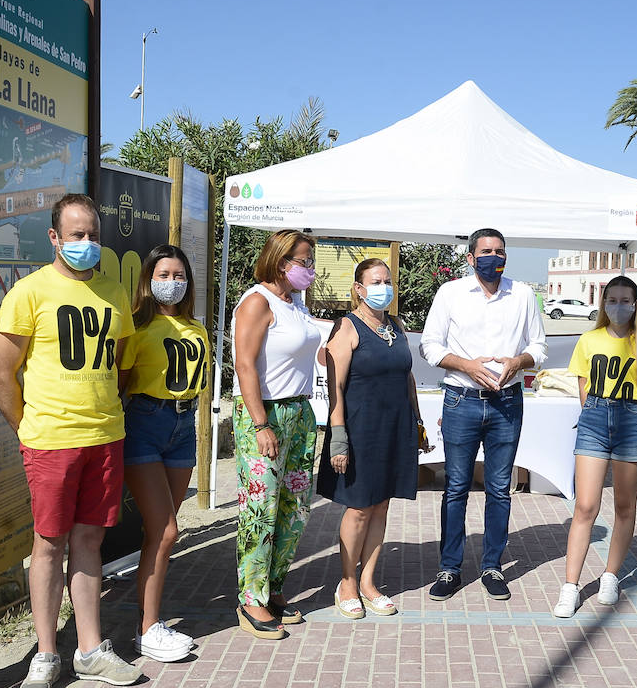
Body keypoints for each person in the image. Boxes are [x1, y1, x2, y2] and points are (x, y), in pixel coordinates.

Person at [0, 193, 140, 688]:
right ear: (54, 238)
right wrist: (28, 429)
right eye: (76, 235)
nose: (86, 243)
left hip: (104, 438)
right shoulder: (29, 293)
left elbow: (119, 364)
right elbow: (0, 376)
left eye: (93, 234)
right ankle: (47, 654)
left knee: (90, 543)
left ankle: (91, 650)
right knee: (48, 546)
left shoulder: (115, 292)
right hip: (51, 442)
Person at [420, 228, 547, 601]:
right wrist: (465, 366)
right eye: (486, 251)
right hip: (461, 400)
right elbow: (430, 346)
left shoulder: (522, 294)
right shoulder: (451, 293)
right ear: (471, 257)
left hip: (507, 402)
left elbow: (538, 346)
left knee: (499, 490)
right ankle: (450, 568)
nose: (495, 257)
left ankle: (492, 566)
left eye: (501, 251)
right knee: (456, 487)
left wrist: (519, 361)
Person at [319, 259, 430, 619]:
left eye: (388, 280)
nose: (384, 286)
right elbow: (334, 385)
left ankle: (368, 582)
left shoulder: (395, 326)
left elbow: (407, 377)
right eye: (376, 281)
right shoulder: (347, 327)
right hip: (360, 430)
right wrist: (338, 437)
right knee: (359, 507)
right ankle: (347, 582)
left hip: (395, 429)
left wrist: (417, 423)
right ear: (358, 288)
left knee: (382, 505)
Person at [229, 229, 321, 639]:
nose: (310, 269)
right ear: (282, 261)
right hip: (264, 413)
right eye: (305, 261)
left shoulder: (295, 303)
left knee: (295, 508)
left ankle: (273, 587)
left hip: (299, 410)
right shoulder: (256, 302)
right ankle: (251, 598)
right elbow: (245, 365)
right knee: (261, 508)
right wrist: (261, 423)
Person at [118, 245, 207, 663]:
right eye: (164, 274)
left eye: (179, 275)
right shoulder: (137, 329)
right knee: (167, 530)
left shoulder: (197, 329)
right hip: (145, 423)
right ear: (149, 280)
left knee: (161, 535)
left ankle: (149, 621)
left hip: (183, 427)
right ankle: (148, 629)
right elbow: (121, 382)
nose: (172, 282)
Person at [553, 276, 637, 617]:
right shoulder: (589, 339)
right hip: (595, 419)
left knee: (625, 507)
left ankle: (610, 575)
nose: (618, 306)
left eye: (625, 300)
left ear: (635, 304)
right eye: (611, 300)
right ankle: (570, 586)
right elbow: (584, 388)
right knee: (585, 506)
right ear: (603, 304)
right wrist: (596, 414)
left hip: (632, 419)